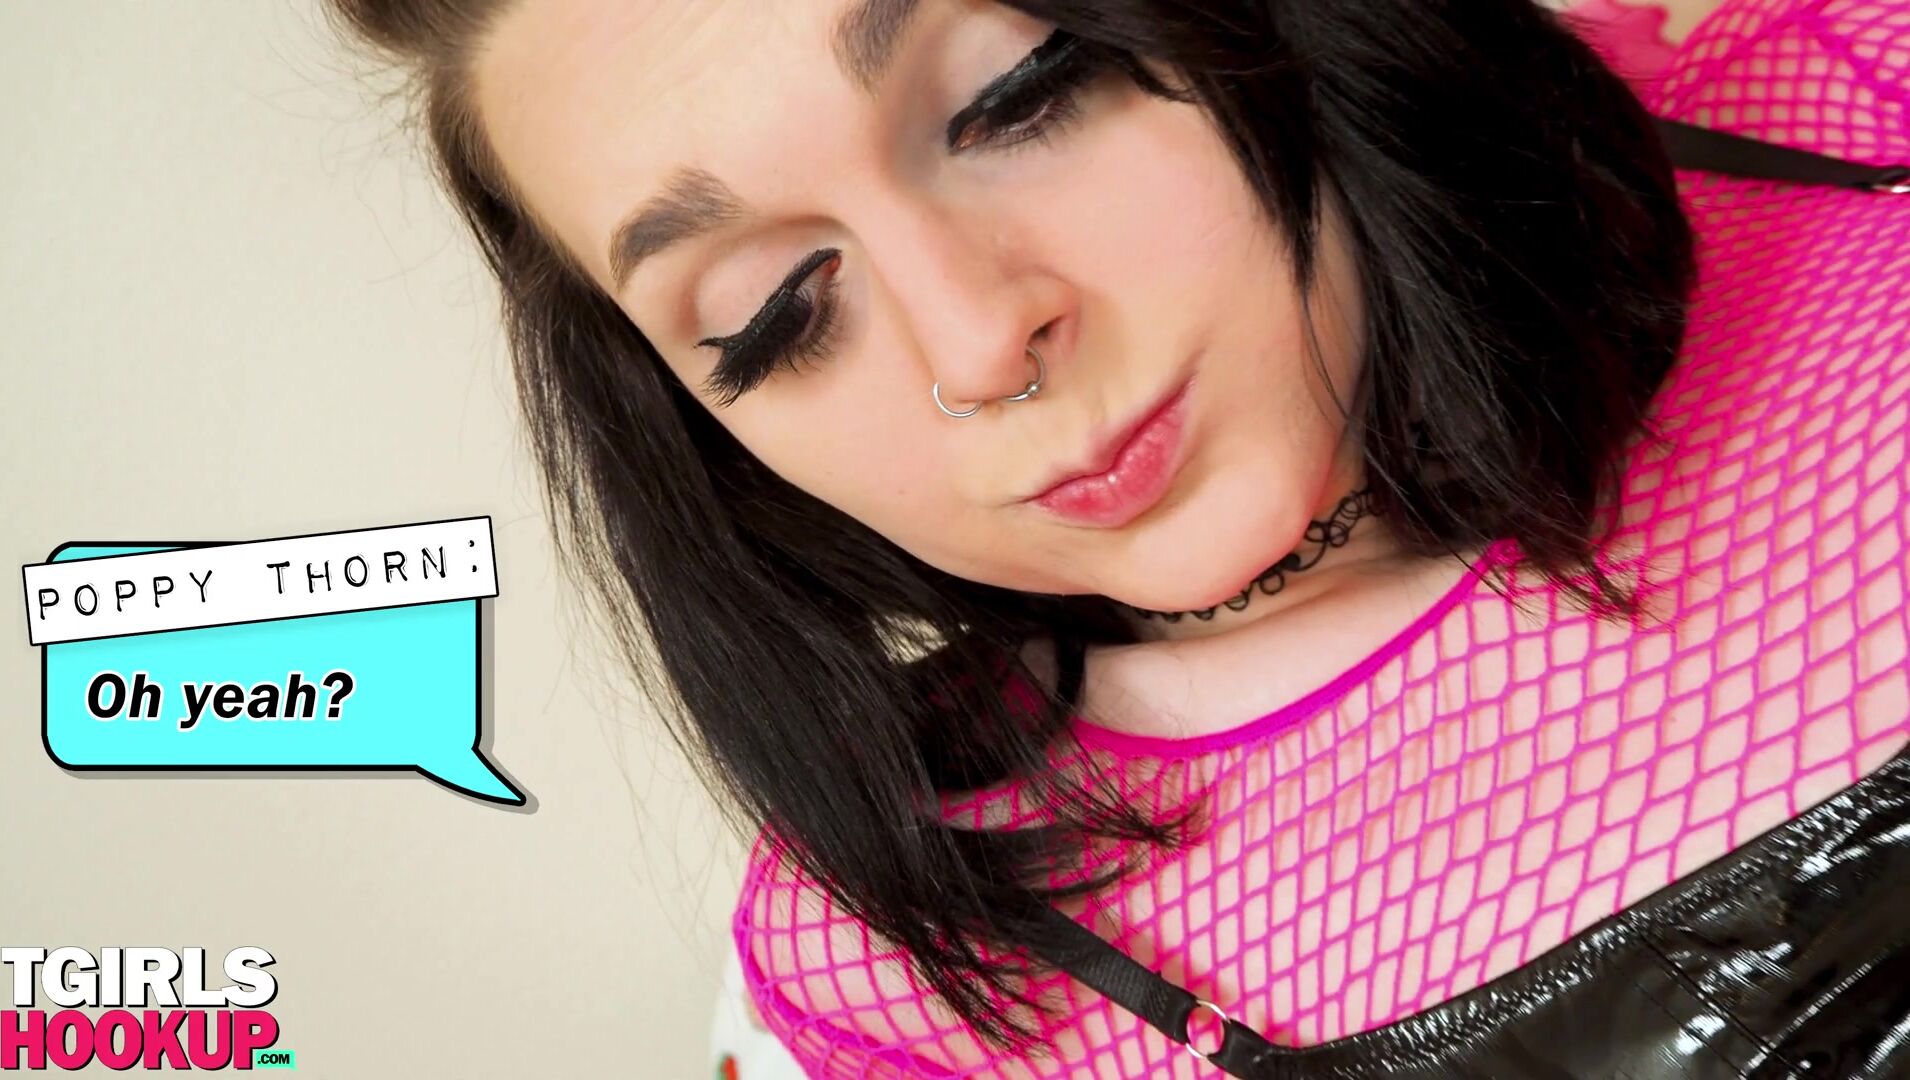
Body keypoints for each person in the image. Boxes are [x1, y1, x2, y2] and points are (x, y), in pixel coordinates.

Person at [320, 0, 1910, 1074]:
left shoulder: (1851, 97)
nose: (978, 342)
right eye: (775, 316)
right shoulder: (907, 968)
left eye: (1016, 100)